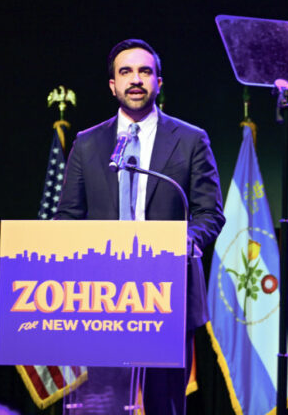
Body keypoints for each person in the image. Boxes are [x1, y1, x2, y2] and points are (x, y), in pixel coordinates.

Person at [54, 38, 225, 415]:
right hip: (103, 297)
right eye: (126, 72)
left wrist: (182, 241)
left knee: (165, 405)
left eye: (145, 71)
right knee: (106, 405)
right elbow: (68, 216)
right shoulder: (87, 144)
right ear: (112, 85)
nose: (135, 79)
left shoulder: (191, 140)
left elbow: (210, 213)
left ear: (158, 82)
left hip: (167, 293)